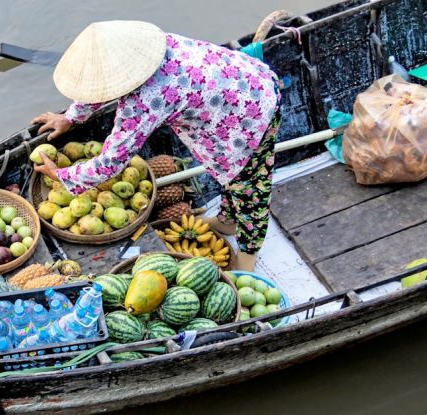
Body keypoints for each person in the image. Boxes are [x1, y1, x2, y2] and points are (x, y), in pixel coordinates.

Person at [32, 21, 281, 271]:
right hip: (242, 84)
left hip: (252, 115)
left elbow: (110, 163)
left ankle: (248, 257)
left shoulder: (144, 101)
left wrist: (62, 175)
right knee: (233, 176)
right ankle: (227, 220)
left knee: (249, 189)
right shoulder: (158, 46)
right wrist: (71, 117)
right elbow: (101, 87)